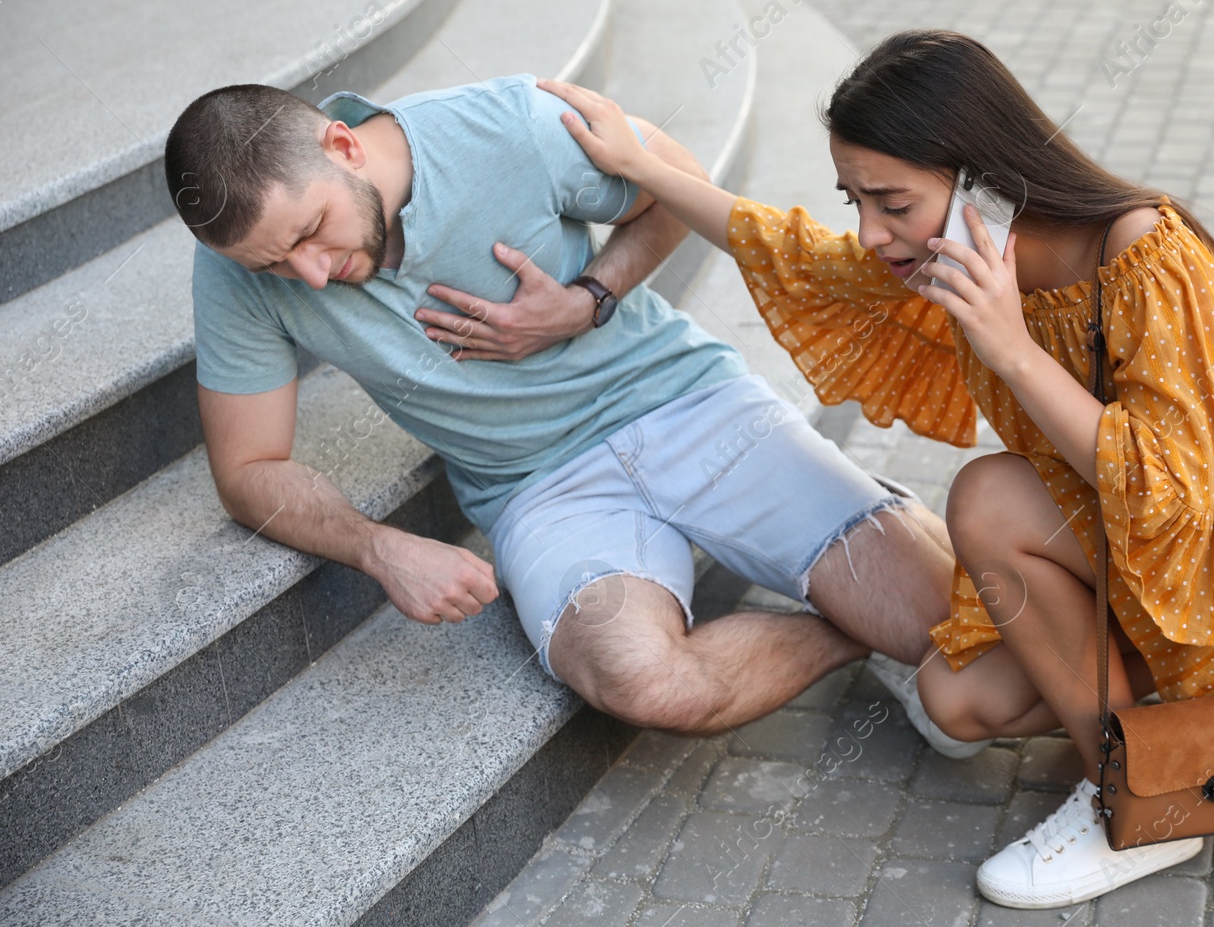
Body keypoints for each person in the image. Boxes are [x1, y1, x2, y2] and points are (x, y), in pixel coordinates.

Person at [536, 28, 1214, 910]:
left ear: (986, 181)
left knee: (989, 495)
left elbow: (1178, 493)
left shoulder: (1146, 255)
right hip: (1165, 552)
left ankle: (1144, 805)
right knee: (954, 699)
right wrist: (646, 166)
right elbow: (799, 255)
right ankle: (1162, 725)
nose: (867, 232)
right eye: (854, 198)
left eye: (890, 202)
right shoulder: (954, 256)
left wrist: (1012, 348)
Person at [164, 75, 978, 751]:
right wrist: (379, 547)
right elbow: (247, 469)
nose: (309, 274)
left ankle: (872, 564)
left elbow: (679, 187)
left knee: (960, 627)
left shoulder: (504, 124)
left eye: (313, 231)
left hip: (683, 400)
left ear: (343, 146)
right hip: (540, 491)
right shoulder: (238, 273)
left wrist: (591, 298)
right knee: (646, 680)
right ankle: (855, 616)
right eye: (276, 263)